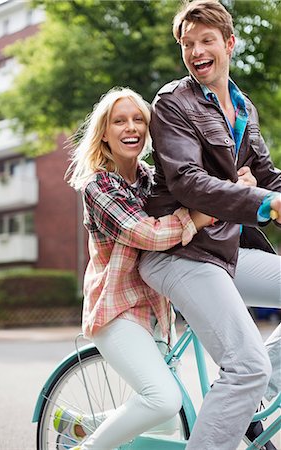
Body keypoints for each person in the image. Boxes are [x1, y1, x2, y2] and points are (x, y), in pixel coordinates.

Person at [138, 1, 281, 450]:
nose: (197, 51)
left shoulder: (243, 107)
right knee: (246, 364)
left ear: (229, 44)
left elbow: (268, 175)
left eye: (206, 40)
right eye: (188, 43)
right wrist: (264, 201)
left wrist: (269, 193)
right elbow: (190, 184)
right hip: (179, 253)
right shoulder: (172, 103)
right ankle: (248, 386)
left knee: (252, 374)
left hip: (225, 252)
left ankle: (248, 401)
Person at [54, 86, 215, 450]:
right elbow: (146, 233)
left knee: (163, 426)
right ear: (105, 133)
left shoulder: (151, 178)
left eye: (138, 119)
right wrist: (196, 218)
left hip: (156, 312)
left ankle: (80, 426)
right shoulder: (98, 185)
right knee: (163, 399)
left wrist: (235, 188)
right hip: (115, 310)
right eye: (119, 120)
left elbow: (199, 186)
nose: (131, 127)